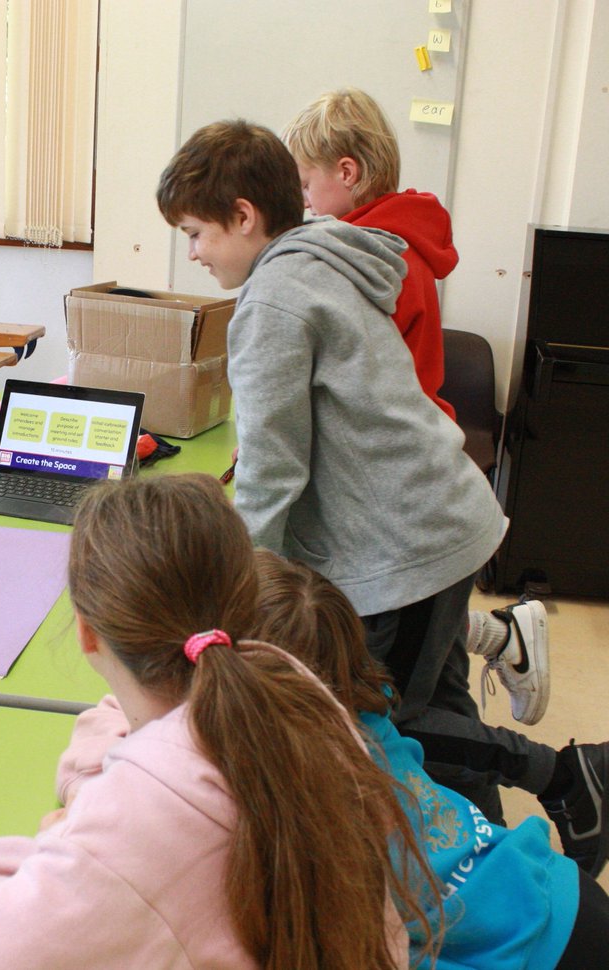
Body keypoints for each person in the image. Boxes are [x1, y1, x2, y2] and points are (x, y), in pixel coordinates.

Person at [154, 120, 608, 873]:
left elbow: (275, 469)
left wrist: (242, 586)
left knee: (373, 725)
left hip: (404, 542)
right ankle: (506, 858)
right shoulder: (321, 261)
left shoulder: (273, 300)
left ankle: (568, 778)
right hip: (438, 518)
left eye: (197, 233)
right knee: (439, 711)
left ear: (244, 216)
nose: (194, 252)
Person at [0, 474, 432, 970]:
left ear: (86, 633)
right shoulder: (296, 696)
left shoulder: (133, 833)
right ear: (246, 608)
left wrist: (63, 840)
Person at [284, 87, 550, 728]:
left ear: (346, 173)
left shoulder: (374, 261)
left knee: (400, 705)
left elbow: (352, 390)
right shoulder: (394, 246)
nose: (302, 200)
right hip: (419, 482)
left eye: (306, 181)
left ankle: (501, 801)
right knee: (432, 685)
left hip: (407, 489)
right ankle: (499, 647)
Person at [249, 551, 609, 970]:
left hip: (534, 954)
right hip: (560, 889)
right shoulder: (372, 715)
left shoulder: (305, 804)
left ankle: (564, 774)